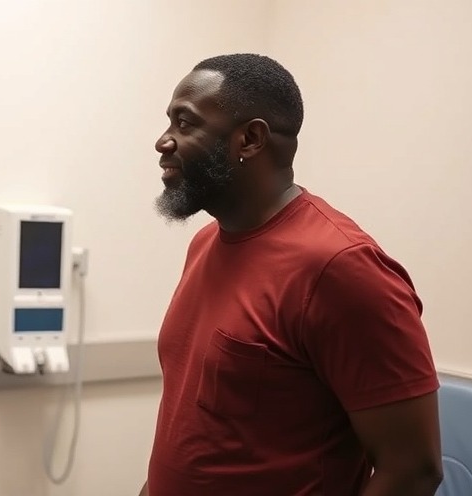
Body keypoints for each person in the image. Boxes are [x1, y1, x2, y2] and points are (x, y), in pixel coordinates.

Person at [140, 53, 443, 495]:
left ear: (250, 139)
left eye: (185, 124)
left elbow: (413, 470)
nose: (163, 142)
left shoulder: (340, 267)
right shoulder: (206, 243)